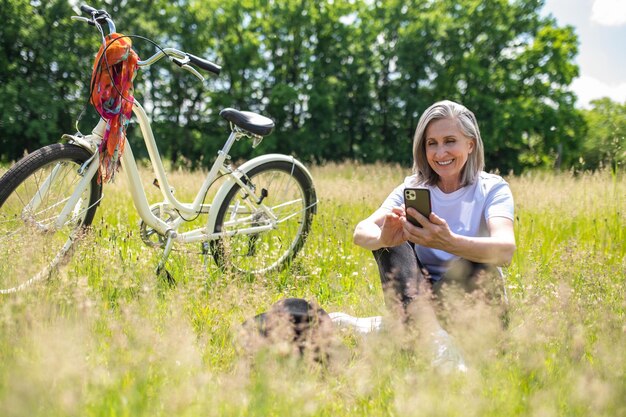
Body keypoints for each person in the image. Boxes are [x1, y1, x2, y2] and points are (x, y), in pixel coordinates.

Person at [353, 100, 516, 370]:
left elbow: (505, 250)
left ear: (470, 144)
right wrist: (385, 238)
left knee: (477, 261)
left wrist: (449, 241)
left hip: (471, 306)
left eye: (450, 141)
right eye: (432, 143)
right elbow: (361, 231)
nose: (440, 153)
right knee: (392, 241)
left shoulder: (492, 189)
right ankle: (436, 344)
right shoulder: (414, 187)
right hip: (417, 297)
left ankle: (405, 331)